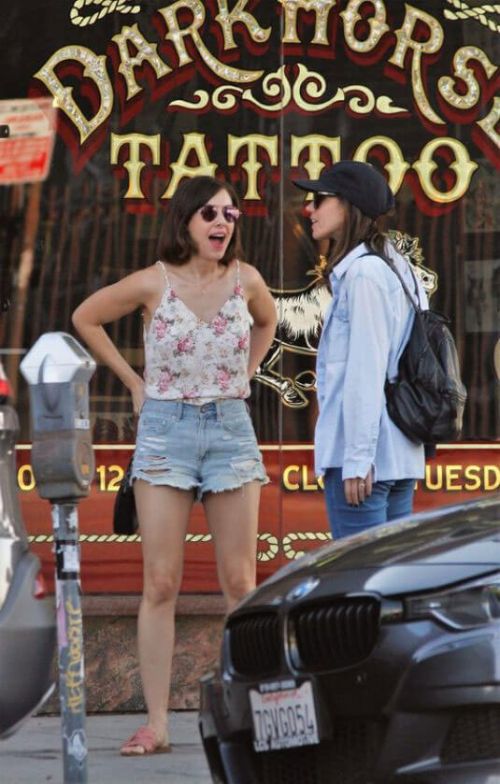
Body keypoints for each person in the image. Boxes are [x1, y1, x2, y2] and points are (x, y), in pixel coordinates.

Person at [72, 175, 277, 755]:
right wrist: (134, 383)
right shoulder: (152, 282)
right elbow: (86, 316)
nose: (222, 223)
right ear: (185, 219)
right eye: (209, 213)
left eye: (231, 214)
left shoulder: (248, 281)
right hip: (165, 431)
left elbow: (268, 322)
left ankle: (249, 716)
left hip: (231, 430)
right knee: (161, 582)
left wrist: (247, 372)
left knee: (240, 582)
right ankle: (157, 724)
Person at [293, 160, 428, 540]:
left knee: (361, 585)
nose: (309, 209)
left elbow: (366, 371)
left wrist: (356, 459)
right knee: (388, 585)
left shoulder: (365, 274)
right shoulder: (394, 267)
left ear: (349, 204)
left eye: (320, 199)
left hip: (368, 462)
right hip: (395, 454)